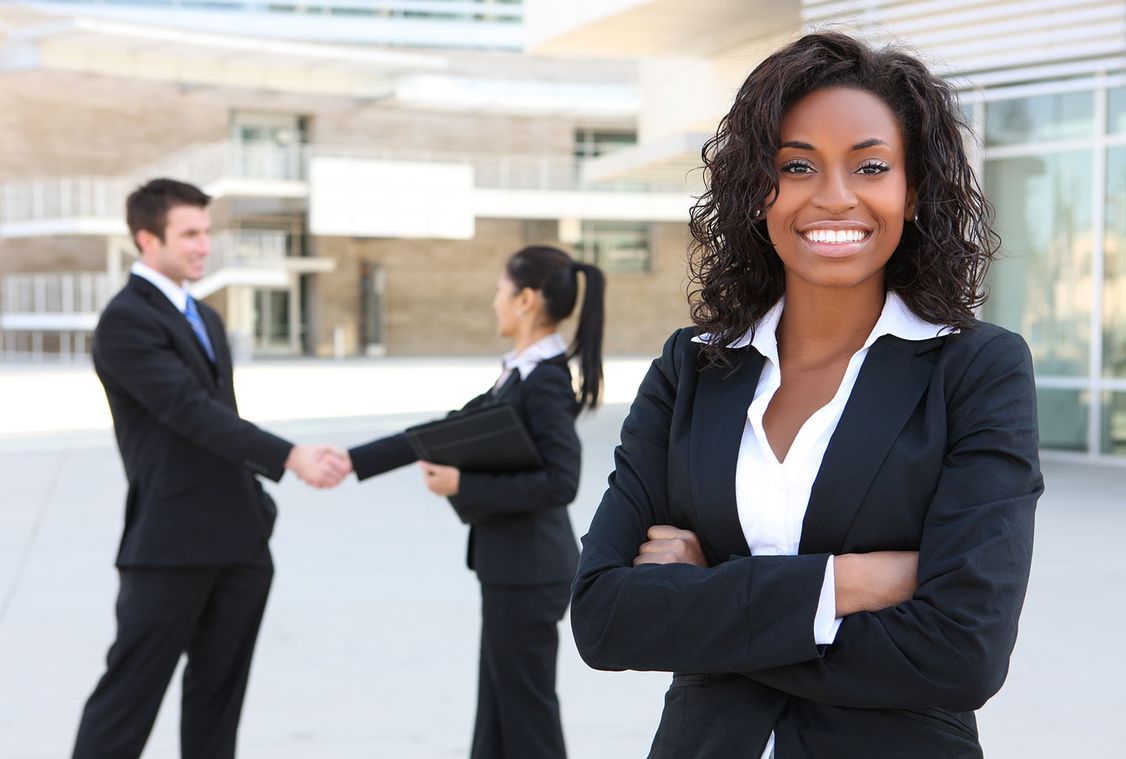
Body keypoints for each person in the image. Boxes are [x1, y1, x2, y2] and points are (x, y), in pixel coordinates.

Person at [570, 32, 1043, 759]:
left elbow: (962, 650)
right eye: (796, 165)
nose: (832, 196)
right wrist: (844, 582)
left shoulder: (975, 370)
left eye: (870, 166)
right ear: (757, 189)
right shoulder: (691, 369)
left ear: (911, 189)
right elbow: (603, 619)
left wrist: (708, 596)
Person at [73, 178, 351, 759]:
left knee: (217, 703)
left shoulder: (205, 316)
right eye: (189, 234)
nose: (204, 246)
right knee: (127, 700)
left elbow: (223, 418)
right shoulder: (125, 321)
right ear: (146, 239)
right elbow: (189, 413)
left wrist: (258, 503)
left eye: (206, 232)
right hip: (170, 543)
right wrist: (290, 456)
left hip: (240, 540)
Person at [347, 245, 605, 759]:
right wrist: (353, 461)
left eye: (499, 291)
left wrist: (464, 486)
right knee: (499, 707)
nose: (495, 303)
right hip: (513, 567)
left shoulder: (545, 380)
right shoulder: (521, 371)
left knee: (525, 712)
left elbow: (562, 482)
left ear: (526, 300)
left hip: (529, 572)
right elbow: (450, 429)